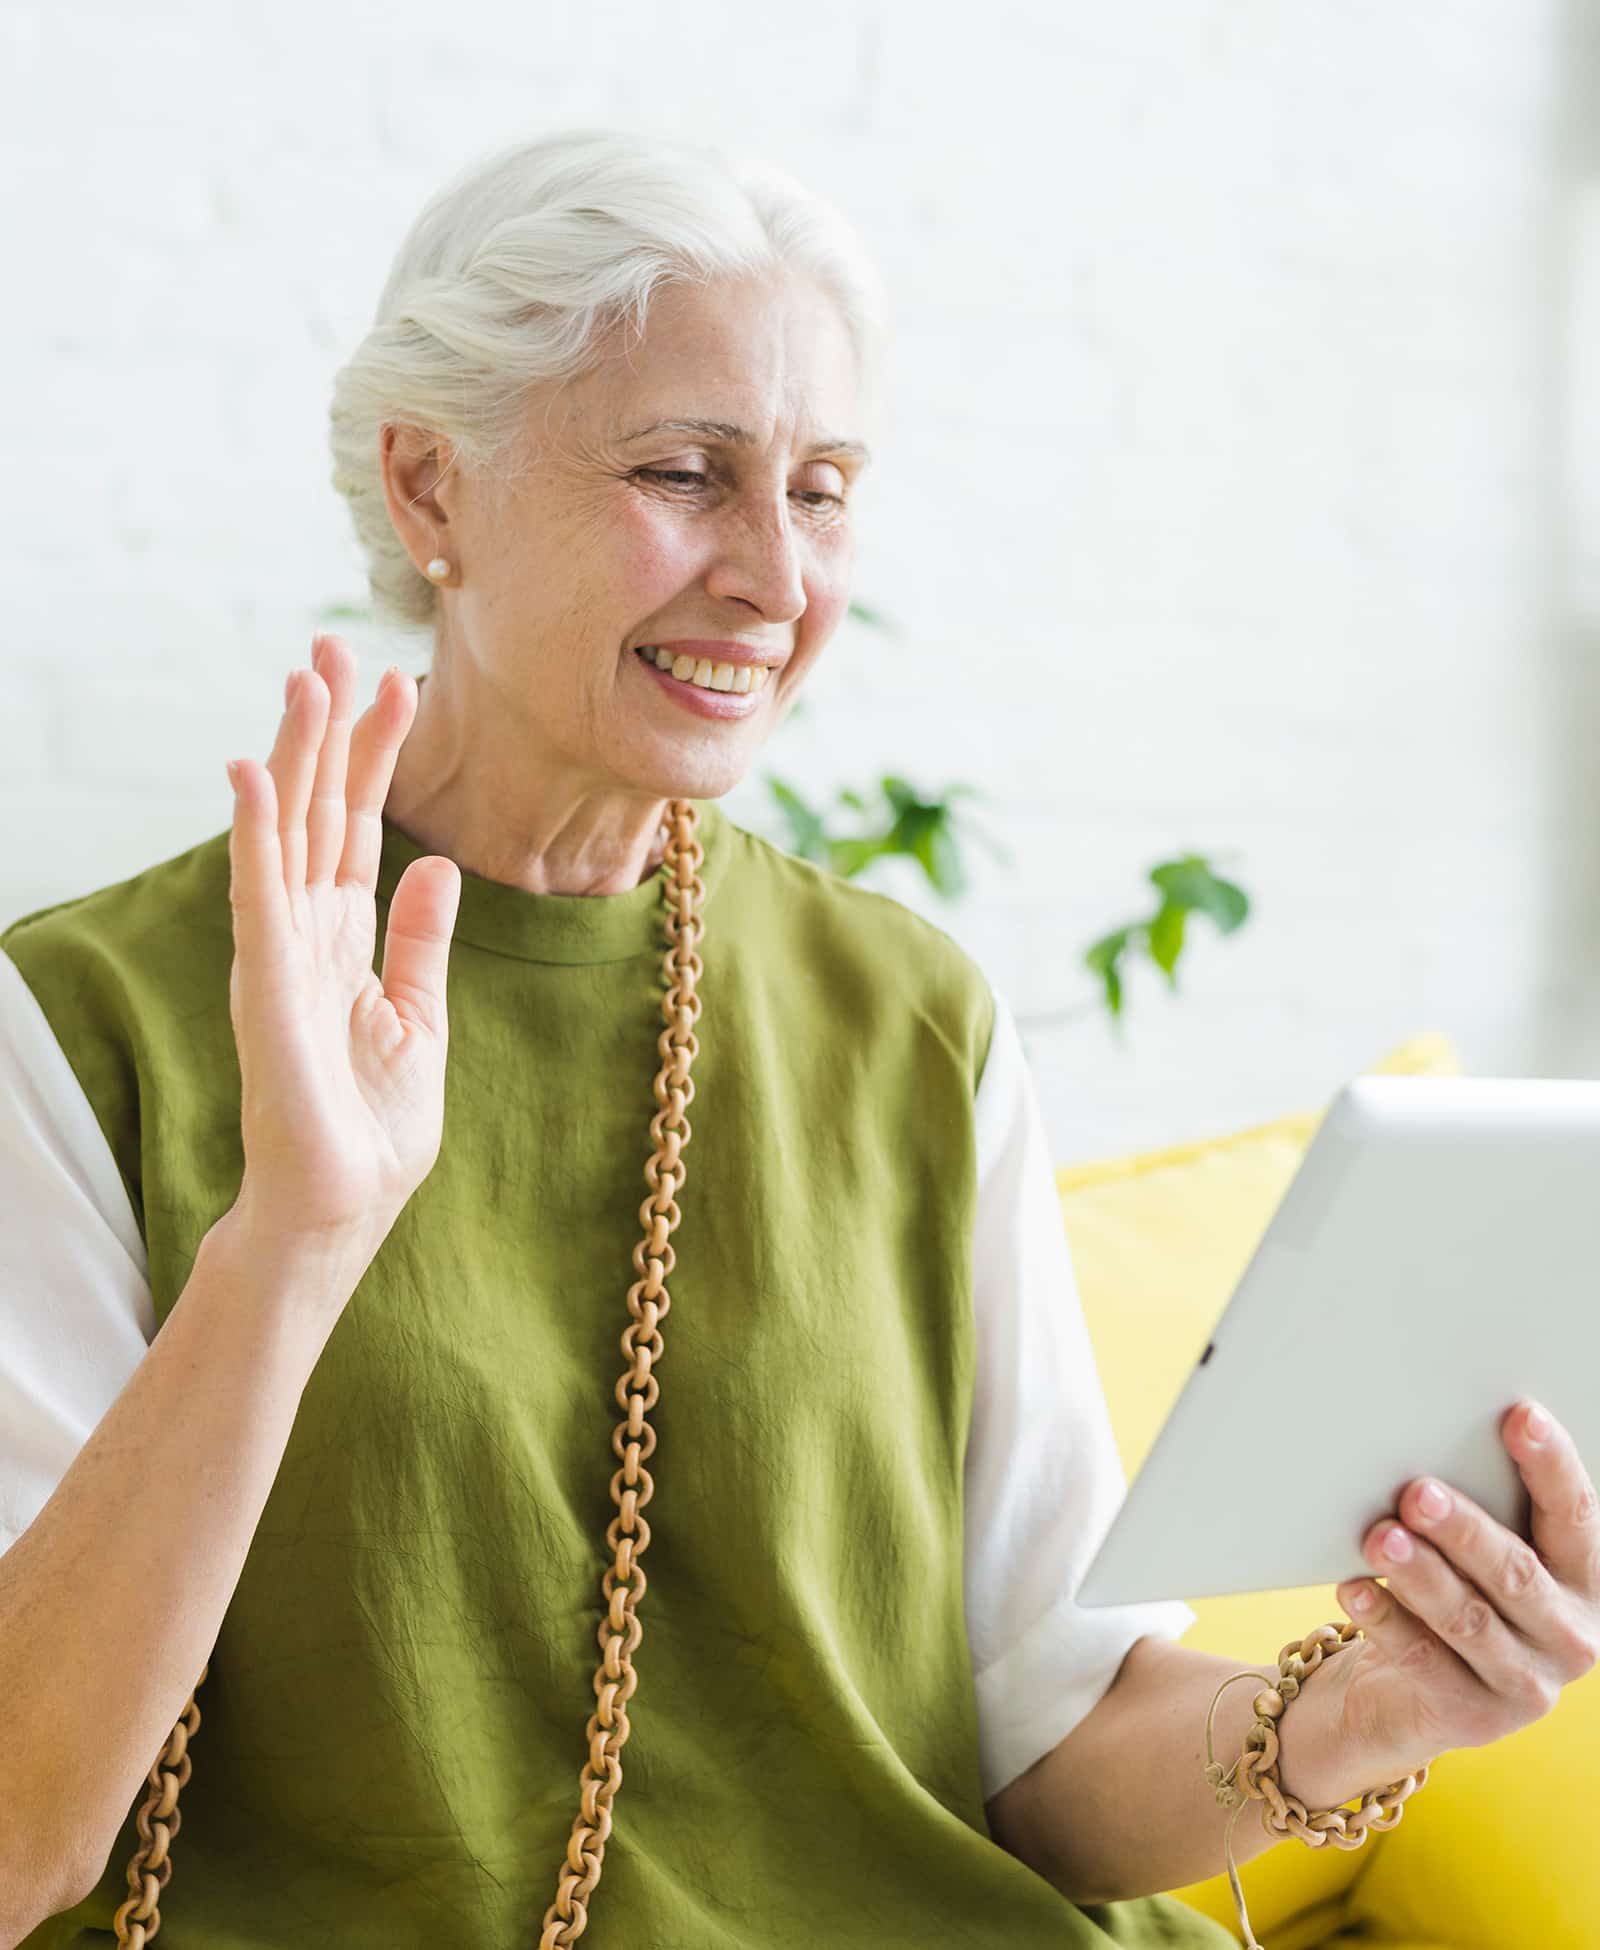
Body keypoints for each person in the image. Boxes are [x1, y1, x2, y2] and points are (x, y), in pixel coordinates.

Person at [4, 127, 1595, 1950]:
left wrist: (1359, 1716)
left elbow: (1045, 1750)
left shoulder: (912, 1019)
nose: (775, 578)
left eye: (825, 491)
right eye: (688, 473)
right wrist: (287, 1246)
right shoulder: (80, 1025)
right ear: (431, 487)